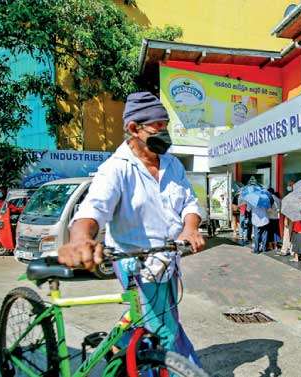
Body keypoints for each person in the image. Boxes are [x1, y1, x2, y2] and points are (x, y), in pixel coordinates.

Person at [57, 92, 205, 365]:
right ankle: (181, 368)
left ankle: (122, 347)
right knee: (165, 331)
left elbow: (190, 203)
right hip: (134, 262)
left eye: (165, 124)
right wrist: (80, 238)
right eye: (158, 126)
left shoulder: (172, 164)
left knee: (161, 319)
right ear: (134, 129)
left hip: (168, 259)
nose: (165, 132)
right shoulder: (115, 169)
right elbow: (93, 209)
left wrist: (190, 228)